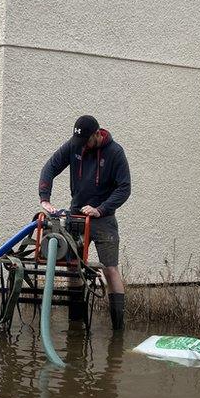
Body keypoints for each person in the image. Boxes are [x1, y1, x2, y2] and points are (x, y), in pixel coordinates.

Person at [39, 115, 132, 329]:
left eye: (86, 142)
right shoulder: (74, 146)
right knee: (74, 267)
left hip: (103, 219)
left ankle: (118, 329)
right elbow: (50, 167)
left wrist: (100, 210)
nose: (82, 147)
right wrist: (45, 198)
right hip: (77, 215)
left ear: (97, 135)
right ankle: (76, 325)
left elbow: (124, 188)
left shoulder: (115, 153)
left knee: (110, 269)